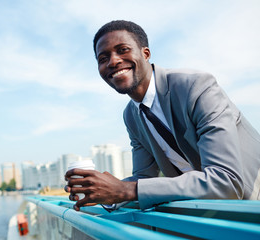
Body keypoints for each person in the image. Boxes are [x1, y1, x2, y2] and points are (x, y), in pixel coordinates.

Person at [64, 20, 260, 211]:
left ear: (146, 53)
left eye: (123, 50)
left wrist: (126, 190)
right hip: (211, 213)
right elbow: (144, 178)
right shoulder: (131, 115)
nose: (113, 61)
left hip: (252, 204)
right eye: (103, 58)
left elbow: (225, 181)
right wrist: (101, 193)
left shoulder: (196, 87)